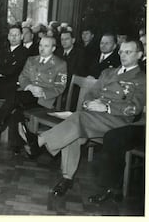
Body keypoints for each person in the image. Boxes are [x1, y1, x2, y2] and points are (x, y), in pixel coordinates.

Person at [19, 39, 146, 197]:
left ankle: (39, 141)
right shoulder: (108, 72)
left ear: (140, 55)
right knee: (74, 130)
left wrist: (106, 107)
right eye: (121, 52)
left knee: (76, 120)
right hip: (93, 116)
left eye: (128, 52)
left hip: (117, 122)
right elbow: (91, 93)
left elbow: (135, 107)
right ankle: (66, 178)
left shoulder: (142, 78)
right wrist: (89, 102)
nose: (123, 55)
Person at [0, 36, 67, 152]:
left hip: (42, 99)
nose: (42, 49)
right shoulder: (31, 59)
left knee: (15, 100)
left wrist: (42, 92)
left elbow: (60, 87)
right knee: (16, 107)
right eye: (40, 45)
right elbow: (22, 77)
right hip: (27, 94)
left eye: (46, 46)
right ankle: (22, 144)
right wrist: (29, 86)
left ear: (53, 48)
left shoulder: (60, 64)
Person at [88, 113, 145, 203]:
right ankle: (113, 187)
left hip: (142, 126)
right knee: (113, 136)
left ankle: (112, 188)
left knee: (114, 137)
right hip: (135, 123)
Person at [54, 27, 87, 109]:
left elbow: (77, 73)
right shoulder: (58, 52)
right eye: (62, 39)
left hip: (71, 87)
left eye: (66, 39)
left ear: (73, 40)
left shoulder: (80, 53)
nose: (64, 42)